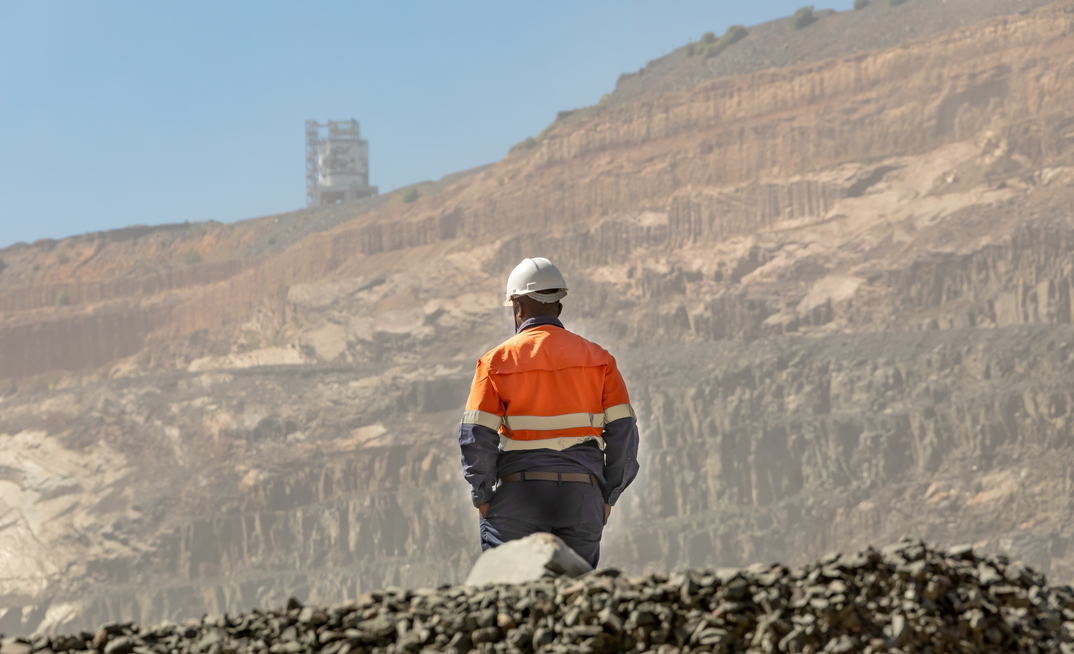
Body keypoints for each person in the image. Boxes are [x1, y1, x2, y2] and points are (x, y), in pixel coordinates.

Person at [457, 257, 640, 567]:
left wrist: (483, 496)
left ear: (517, 307)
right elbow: (624, 435)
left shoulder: (495, 362)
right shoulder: (600, 360)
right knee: (575, 591)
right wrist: (608, 496)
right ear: (559, 307)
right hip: (581, 498)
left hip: (518, 496)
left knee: (511, 589)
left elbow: (476, 437)